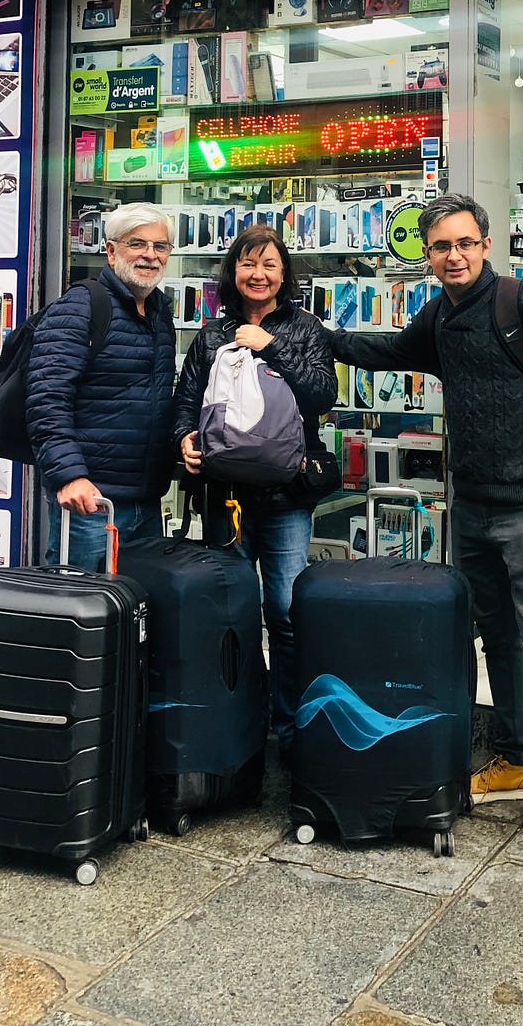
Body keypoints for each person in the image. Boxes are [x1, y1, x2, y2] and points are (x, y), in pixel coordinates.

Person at [329, 192, 523, 861]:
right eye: (442, 246)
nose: (455, 256)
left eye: (465, 243)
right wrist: (314, 336)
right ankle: (516, 757)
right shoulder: (439, 316)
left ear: (485, 245)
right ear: (427, 254)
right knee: (497, 638)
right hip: (473, 505)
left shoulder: (518, 306)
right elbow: (388, 351)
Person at [173, 225, 337, 764]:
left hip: (287, 495)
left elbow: (322, 395)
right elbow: (185, 399)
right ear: (233, 272)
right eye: (248, 263)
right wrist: (184, 439)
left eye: (269, 264)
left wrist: (273, 348)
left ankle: (290, 726)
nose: (258, 274)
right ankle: (240, 722)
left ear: (284, 273)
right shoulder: (212, 335)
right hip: (226, 497)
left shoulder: (305, 328)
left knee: (285, 610)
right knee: (234, 611)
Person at [28, 202, 178, 569]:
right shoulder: (81, 306)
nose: (150, 255)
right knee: (80, 598)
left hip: (146, 501)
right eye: (137, 243)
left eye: (160, 246)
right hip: (91, 502)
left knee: (136, 601)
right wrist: (70, 477)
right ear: (111, 251)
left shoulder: (159, 313)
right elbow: (47, 399)